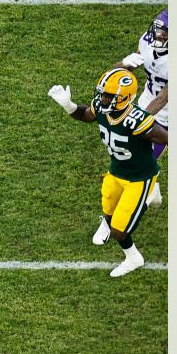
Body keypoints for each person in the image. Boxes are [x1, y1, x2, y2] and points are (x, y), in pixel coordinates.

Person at [47, 69, 168, 277]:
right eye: (103, 94)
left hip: (139, 177)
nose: (103, 99)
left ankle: (133, 258)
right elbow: (85, 115)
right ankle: (149, 198)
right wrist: (69, 106)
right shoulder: (102, 108)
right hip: (116, 171)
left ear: (126, 98)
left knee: (119, 230)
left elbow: (165, 138)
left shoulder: (137, 120)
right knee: (108, 208)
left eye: (109, 96)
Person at [113, 9, 168, 207]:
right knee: (132, 151)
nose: (159, 34)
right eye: (158, 29)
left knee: (140, 157)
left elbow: (163, 98)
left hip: (169, 114)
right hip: (147, 102)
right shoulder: (146, 40)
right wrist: (124, 64)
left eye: (166, 32)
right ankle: (152, 190)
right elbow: (117, 73)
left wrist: (139, 117)